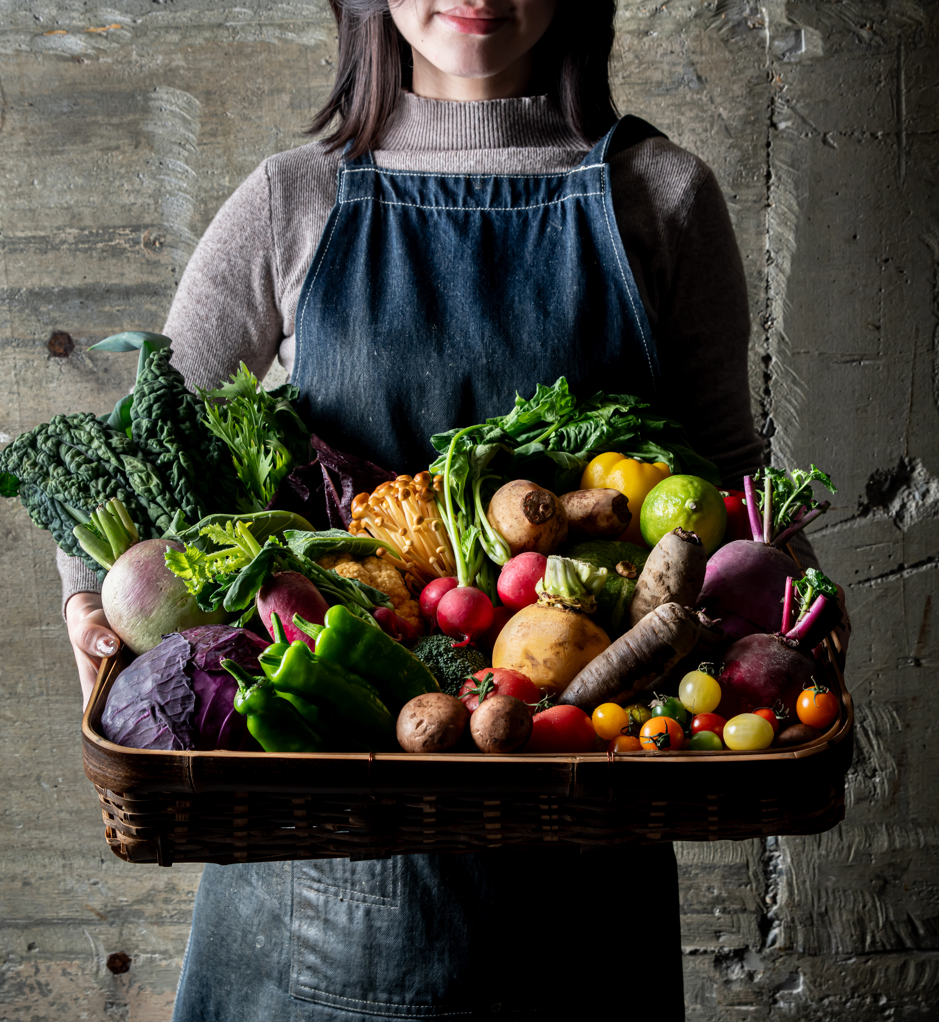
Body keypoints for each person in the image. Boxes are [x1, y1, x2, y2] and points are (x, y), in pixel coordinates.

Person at [61, 0, 776, 1016]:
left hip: (582, 860)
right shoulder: (293, 198)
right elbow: (131, 458)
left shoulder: (661, 199)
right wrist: (91, 600)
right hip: (309, 888)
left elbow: (735, 489)